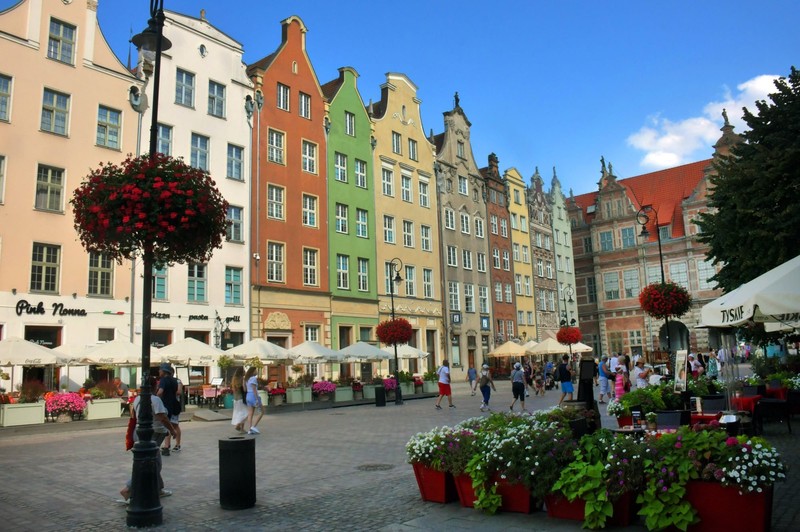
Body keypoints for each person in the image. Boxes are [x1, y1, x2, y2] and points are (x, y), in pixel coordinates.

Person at [118, 384, 177, 504]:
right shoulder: (155, 400)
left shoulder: (138, 398)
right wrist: (172, 430)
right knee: (150, 463)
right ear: (153, 387)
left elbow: (134, 415)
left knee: (155, 462)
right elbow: (162, 417)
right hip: (153, 433)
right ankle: (128, 489)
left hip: (140, 431)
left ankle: (158, 489)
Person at [157, 363, 181, 454]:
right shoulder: (175, 381)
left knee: (167, 425)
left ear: (164, 371)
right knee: (172, 425)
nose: (159, 371)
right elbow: (178, 392)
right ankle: (169, 445)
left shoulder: (163, 380)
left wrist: (155, 398)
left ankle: (167, 446)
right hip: (174, 404)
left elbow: (160, 392)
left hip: (166, 405)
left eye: (160, 370)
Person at [244, 366, 263, 434]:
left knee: (250, 414)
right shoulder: (253, 378)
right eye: (256, 370)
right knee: (261, 412)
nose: (257, 371)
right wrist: (257, 399)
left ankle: (249, 429)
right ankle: (253, 427)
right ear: (253, 371)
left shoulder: (246, 379)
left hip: (248, 395)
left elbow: (245, 389)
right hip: (253, 396)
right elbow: (254, 389)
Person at [230, 367, 247, 433]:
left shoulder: (234, 379)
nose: (245, 372)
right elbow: (244, 389)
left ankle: (242, 429)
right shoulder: (242, 379)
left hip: (235, 398)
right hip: (241, 398)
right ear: (242, 372)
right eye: (244, 371)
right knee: (246, 413)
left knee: (239, 413)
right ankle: (238, 425)